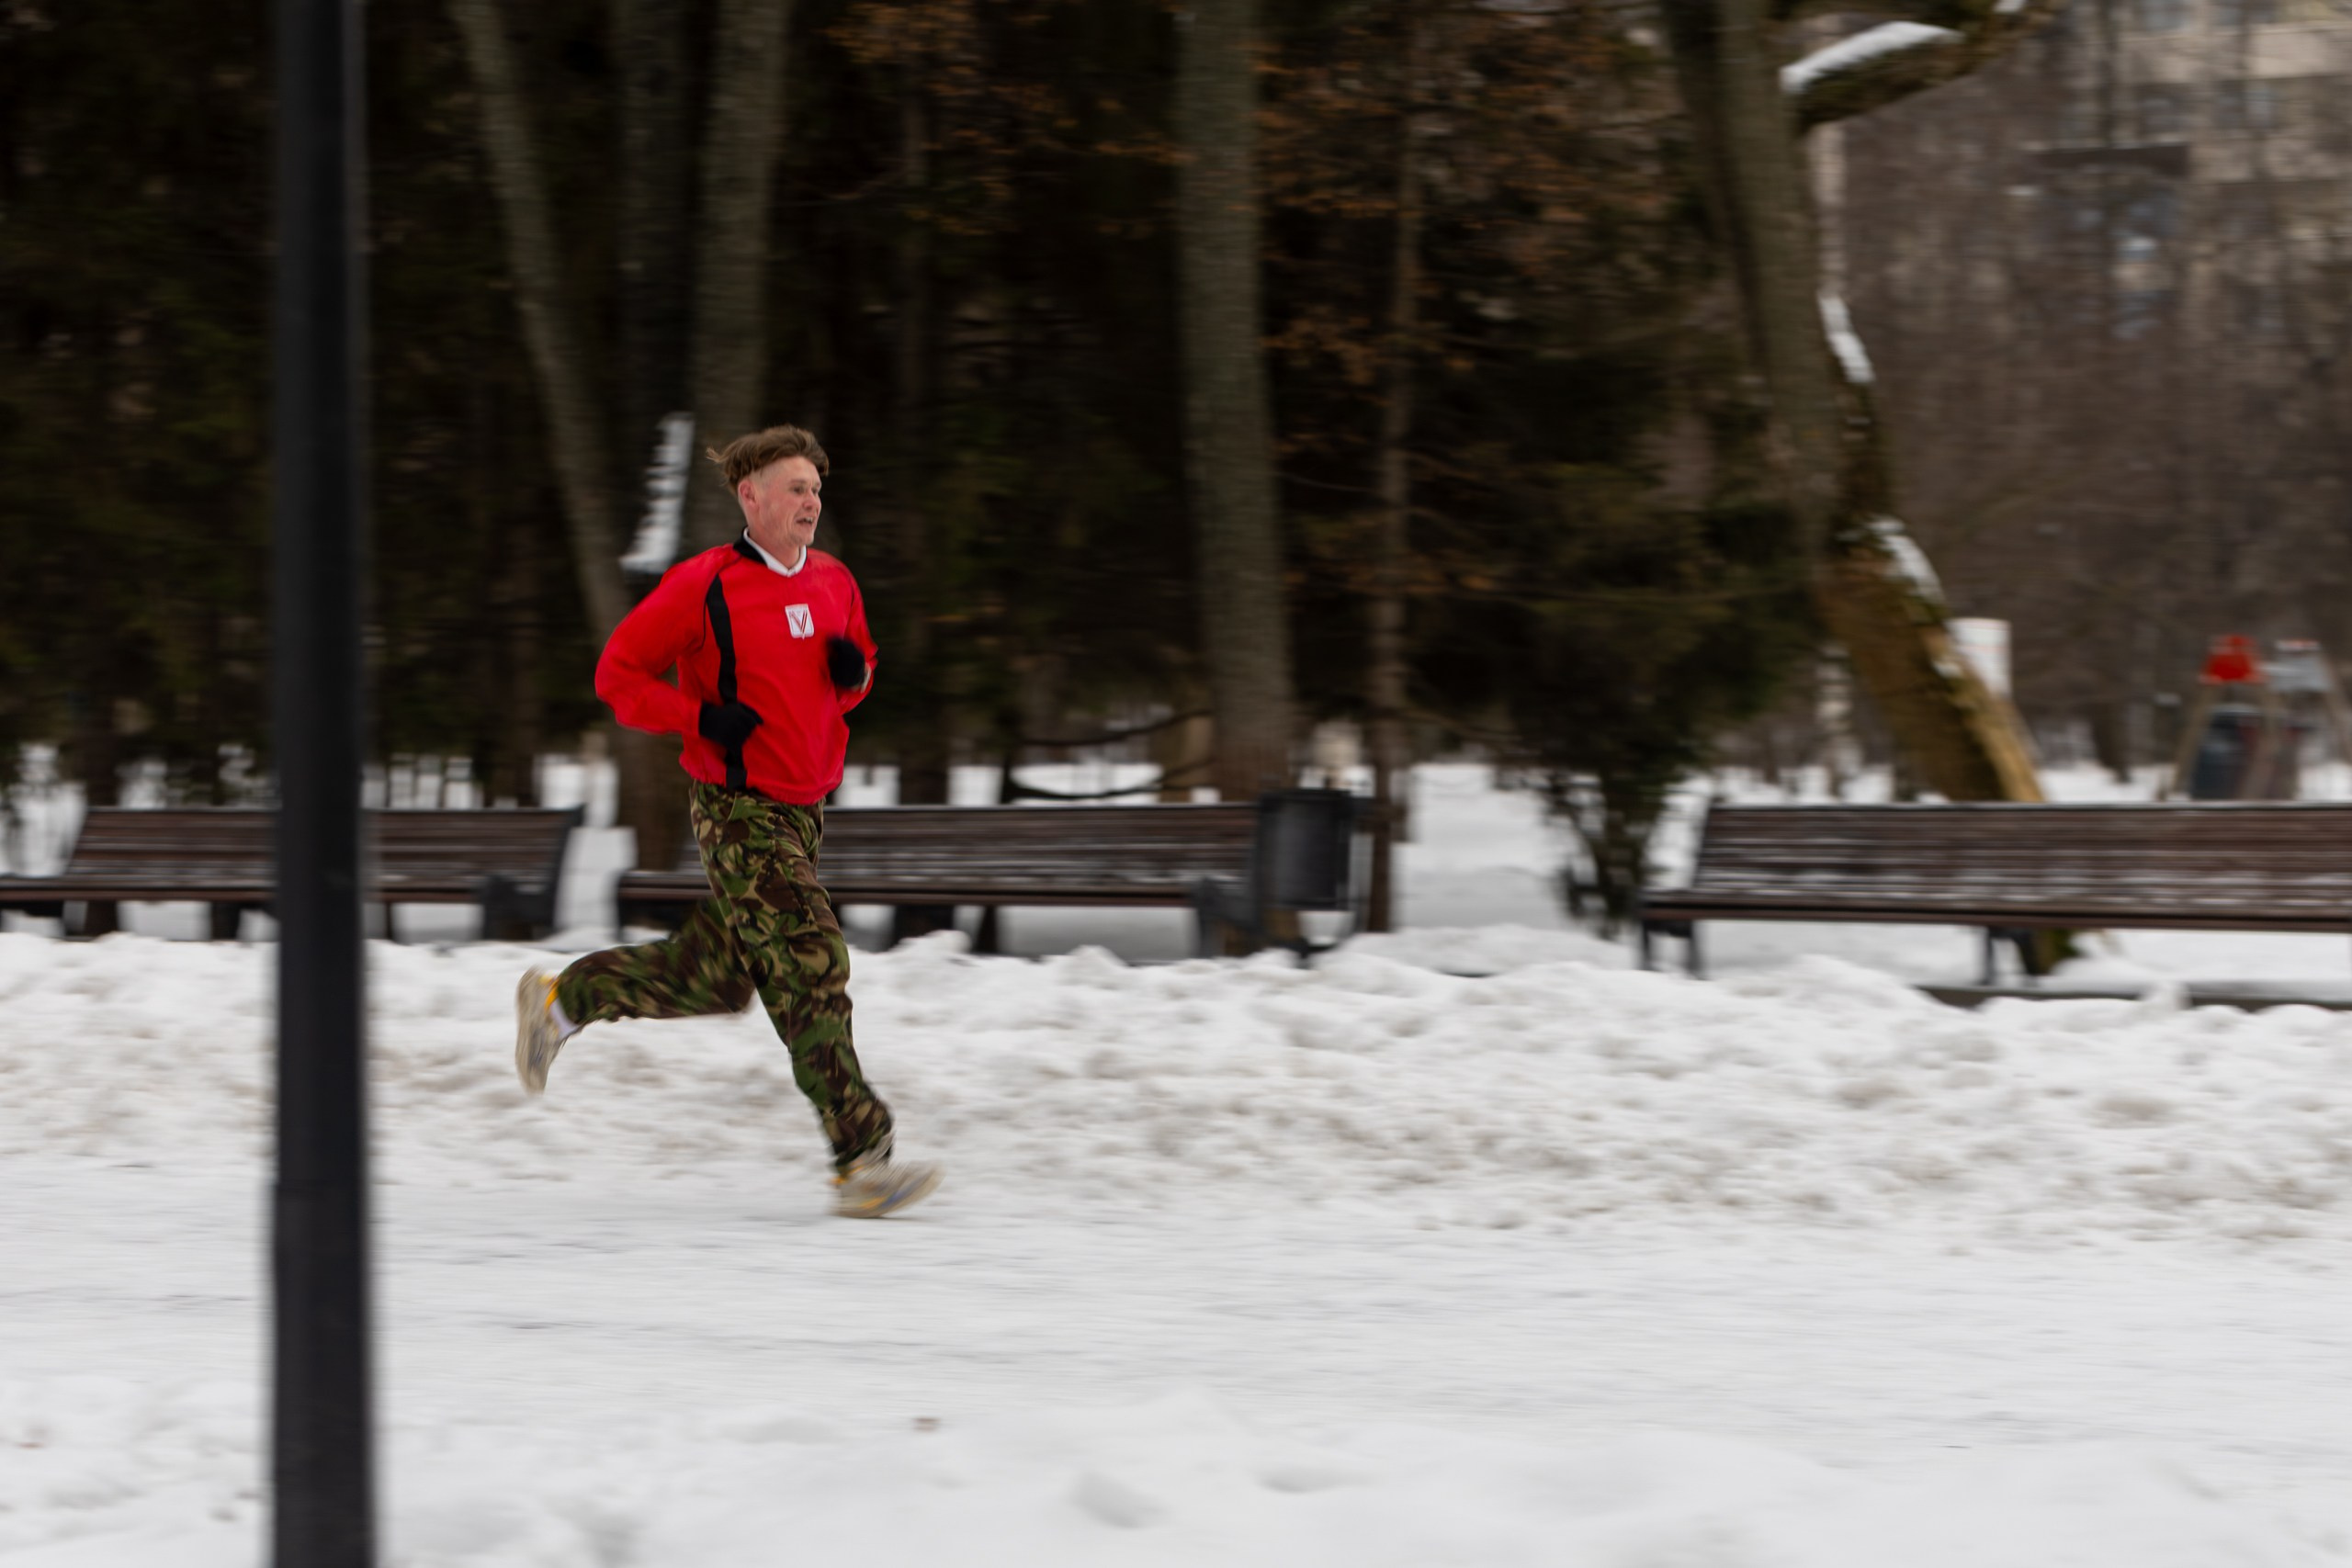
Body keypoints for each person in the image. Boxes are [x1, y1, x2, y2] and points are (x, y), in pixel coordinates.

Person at [513, 424, 941, 1219]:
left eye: (816, 487)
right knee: (812, 961)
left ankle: (562, 998)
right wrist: (701, 717)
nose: (811, 501)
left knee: (717, 977)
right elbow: (618, 675)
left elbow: (856, 671)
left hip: (805, 809)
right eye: (794, 487)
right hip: (737, 809)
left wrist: (856, 676)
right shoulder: (703, 584)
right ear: (751, 496)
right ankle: (862, 1156)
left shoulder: (836, 582)